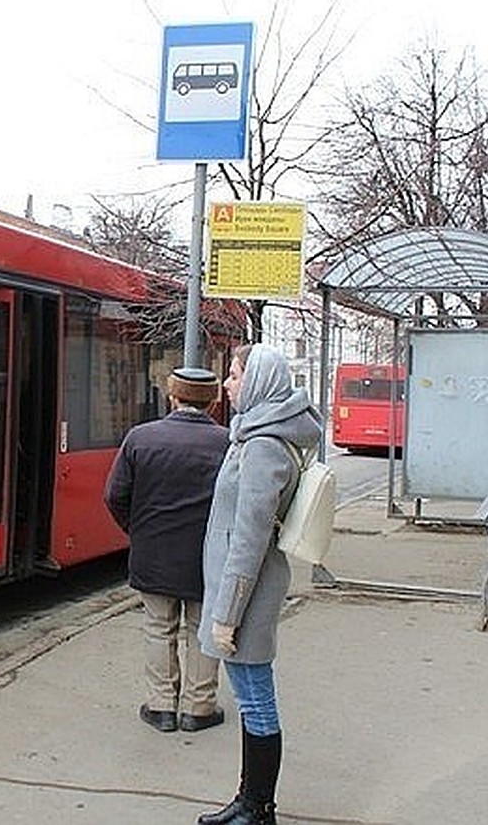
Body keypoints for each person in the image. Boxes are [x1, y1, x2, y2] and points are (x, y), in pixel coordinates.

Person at [196, 344, 323, 825]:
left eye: (234, 373)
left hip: (246, 595)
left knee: (256, 700)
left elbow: (249, 539)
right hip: (243, 589)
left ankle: (258, 808)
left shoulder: (264, 445)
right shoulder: (255, 434)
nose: (227, 383)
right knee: (252, 700)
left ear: (259, 380)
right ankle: (248, 801)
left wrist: (226, 615)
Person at [104, 366, 231, 734]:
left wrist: (138, 530)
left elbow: (115, 495)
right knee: (201, 630)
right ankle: (198, 708)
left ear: (172, 397)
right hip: (206, 558)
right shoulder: (228, 443)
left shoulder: (141, 438)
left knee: (158, 628)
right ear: (212, 401)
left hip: (153, 553)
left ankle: (161, 706)